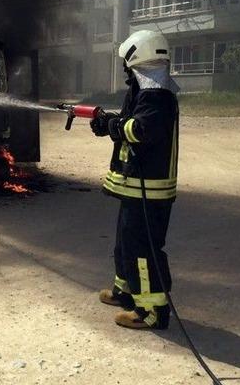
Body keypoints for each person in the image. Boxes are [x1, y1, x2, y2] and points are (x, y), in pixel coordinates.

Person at [90, 30, 179, 330]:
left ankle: (151, 312)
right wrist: (109, 123)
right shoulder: (145, 90)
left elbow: (141, 130)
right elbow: (129, 121)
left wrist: (114, 126)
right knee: (125, 243)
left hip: (149, 192)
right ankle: (125, 292)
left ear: (135, 58)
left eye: (126, 65)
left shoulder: (157, 95)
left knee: (142, 250)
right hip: (137, 188)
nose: (124, 71)